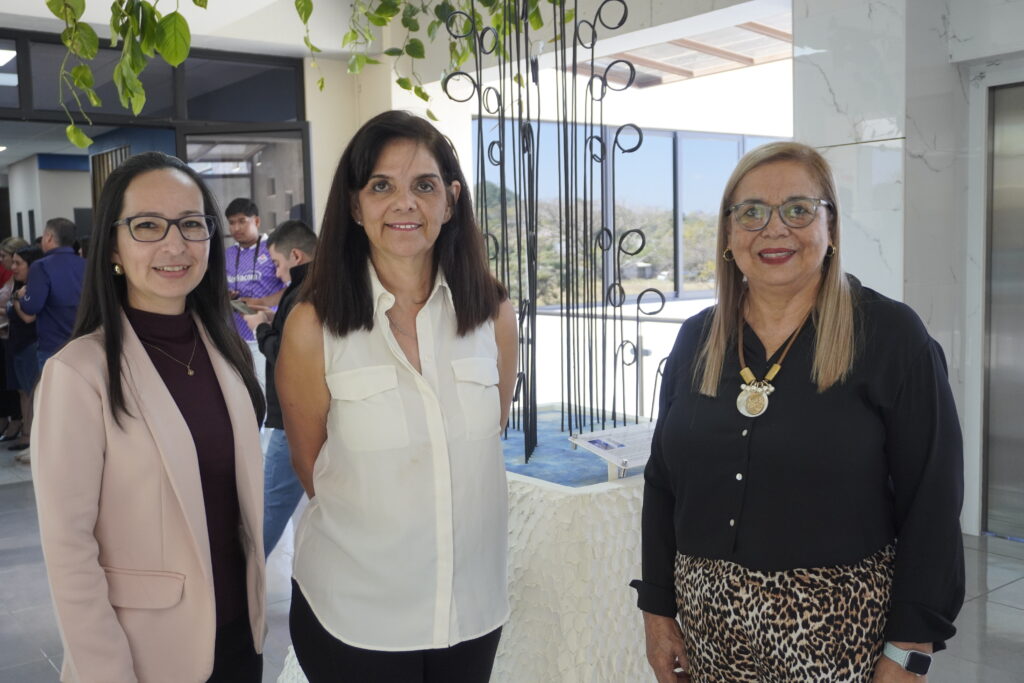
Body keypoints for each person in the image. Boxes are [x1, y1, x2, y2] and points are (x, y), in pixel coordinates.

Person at [631, 142, 964, 683]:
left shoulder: (891, 337)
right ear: (728, 234)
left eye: (798, 210)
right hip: (707, 635)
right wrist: (656, 609)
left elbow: (933, 500)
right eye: (752, 212)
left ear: (831, 228)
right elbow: (662, 483)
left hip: (837, 634)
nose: (774, 229)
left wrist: (909, 648)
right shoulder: (697, 338)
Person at [276, 110, 518, 683]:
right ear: (354, 205)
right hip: (356, 616)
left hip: (470, 611)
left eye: (424, 186)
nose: (404, 203)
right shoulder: (313, 325)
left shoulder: (493, 313)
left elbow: (487, 436)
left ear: (451, 201)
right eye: (381, 186)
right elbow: (312, 467)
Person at [31, 151, 267, 683]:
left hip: (239, 637)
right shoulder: (79, 373)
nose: (174, 244)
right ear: (113, 247)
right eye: (147, 225)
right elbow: (69, 549)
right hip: (146, 653)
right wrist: (106, 671)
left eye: (191, 224)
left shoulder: (228, 351)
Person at [241, 219, 318, 557]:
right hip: (310, 414)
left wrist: (260, 329)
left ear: (296, 256)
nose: (276, 271)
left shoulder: (303, 293)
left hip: (295, 417)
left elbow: (289, 356)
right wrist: (274, 321)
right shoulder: (317, 287)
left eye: (277, 263)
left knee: (270, 505)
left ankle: (245, 578)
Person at [224, 198, 286, 392]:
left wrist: (262, 301)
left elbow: (292, 288)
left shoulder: (273, 249)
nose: (236, 228)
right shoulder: (228, 254)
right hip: (234, 337)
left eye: (242, 221)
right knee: (240, 392)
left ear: (256, 221)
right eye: (231, 222)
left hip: (265, 334)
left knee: (264, 392)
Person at [15, 217, 86, 371]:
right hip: (82, 343)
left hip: (53, 346)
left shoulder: (41, 266)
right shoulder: (85, 264)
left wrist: (20, 297)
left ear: (49, 237)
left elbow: (31, 307)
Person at [0, 237, 27, 445]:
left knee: (24, 388)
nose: (2, 260)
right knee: (14, 385)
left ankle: (22, 427)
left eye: (4, 256)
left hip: (19, 336)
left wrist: (7, 308)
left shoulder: (22, 282)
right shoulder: (12, 281)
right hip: (8, 335)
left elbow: (25, 314)